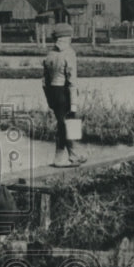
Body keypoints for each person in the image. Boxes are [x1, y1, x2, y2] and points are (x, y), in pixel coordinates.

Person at [42, 22, 87, 167]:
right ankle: (64, 158)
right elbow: (72, 81)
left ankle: (73, 155)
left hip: (53, 92)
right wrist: (74, 105)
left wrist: (50, 100)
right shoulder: (69, 53)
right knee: (70, 124)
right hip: (64, 91)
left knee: (62, 125)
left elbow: (44, 82)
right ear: (67, 38)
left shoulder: (50, 54)